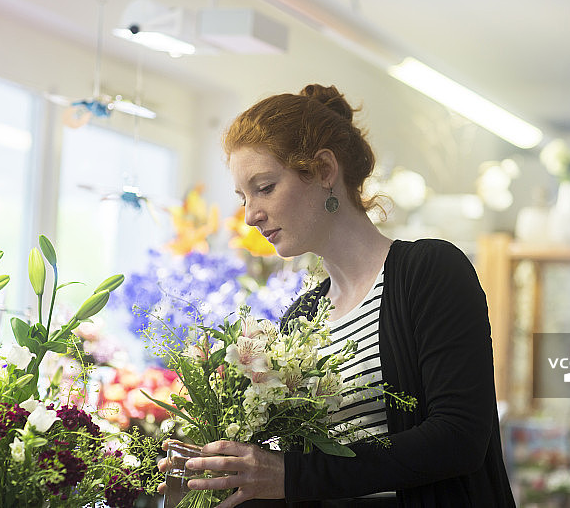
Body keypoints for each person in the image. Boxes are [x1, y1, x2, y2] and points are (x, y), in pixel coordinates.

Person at [157, 84, 516, 507]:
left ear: (325, 170)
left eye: (265, 187)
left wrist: (290, 475)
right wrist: (228, 472)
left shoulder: (429, 272)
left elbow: (458, 438)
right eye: (243, 196)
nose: (251, 214)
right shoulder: (301, 318)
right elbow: (312, 475)